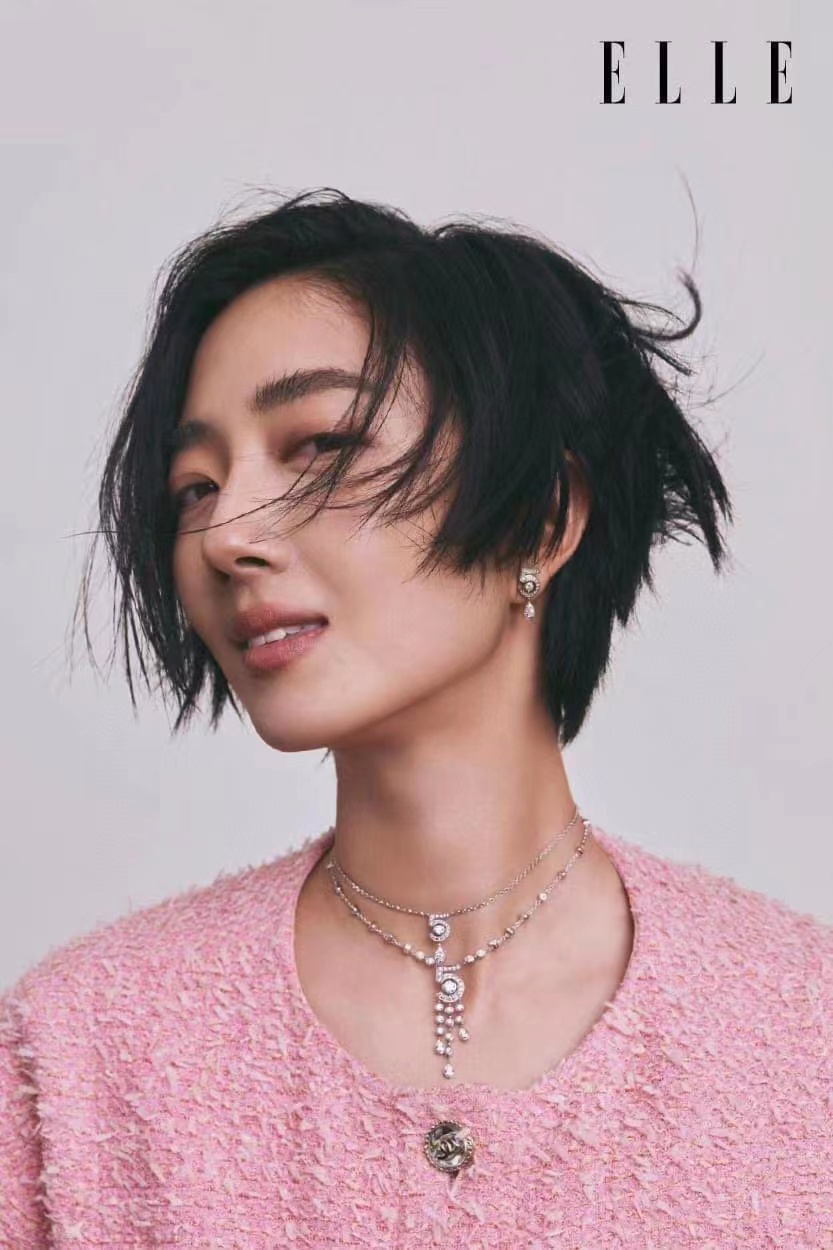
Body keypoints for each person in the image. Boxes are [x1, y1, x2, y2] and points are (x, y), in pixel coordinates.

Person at [1, 187, 830, 1247]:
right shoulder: (78, 1050)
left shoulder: (800, 1027)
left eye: (318, 445)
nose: (224, 536)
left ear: (542, 517)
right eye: (193, 488)